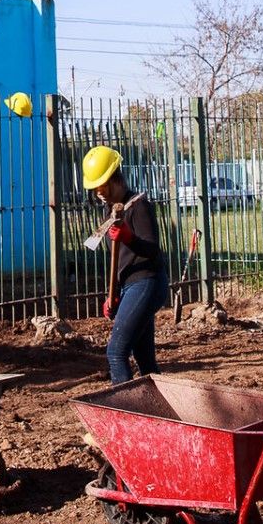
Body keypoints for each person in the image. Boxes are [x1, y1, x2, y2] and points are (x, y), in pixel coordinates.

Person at [82, 146, 167, 385]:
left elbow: (152, 249)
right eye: (95, 188)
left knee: (116, 353)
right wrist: (114, 295)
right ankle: (158, 412)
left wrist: (129, 237)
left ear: (115, 179)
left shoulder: (138, 206)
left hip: (148, 283)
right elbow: (121, 262)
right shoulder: (113, 212)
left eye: (101, 186)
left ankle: (124, 411)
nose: (98, 193)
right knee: (145, 360)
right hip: (132, 288)